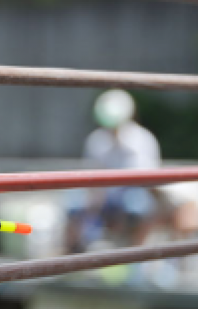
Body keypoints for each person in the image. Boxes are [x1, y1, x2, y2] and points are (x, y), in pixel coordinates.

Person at [65, 89, 161, 254]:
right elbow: (91, 177)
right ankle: (74, 251)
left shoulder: (142, 140)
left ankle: (136, 254)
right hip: (103, 193)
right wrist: (93, 200)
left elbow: (149, 181)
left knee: (139, 206)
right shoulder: (97, 140)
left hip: (131, 193)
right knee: (73, 204)